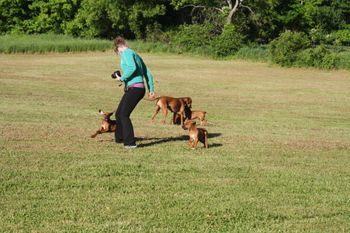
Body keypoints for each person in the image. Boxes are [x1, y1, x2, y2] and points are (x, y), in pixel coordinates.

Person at [113, 36, 155, 149]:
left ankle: (130, 143)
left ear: (118, 48)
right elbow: (148, 73)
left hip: (135, 88)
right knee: (118, 113)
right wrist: (151, 90)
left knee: (124, 114)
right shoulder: (136, 54)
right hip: (137, 88)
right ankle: (120, 138)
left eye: (118, 53)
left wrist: (121, 78)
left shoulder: (126, 53)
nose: (119, 55)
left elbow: (131, 68)